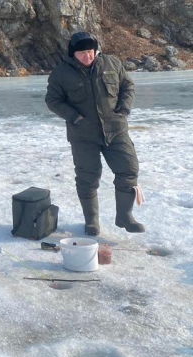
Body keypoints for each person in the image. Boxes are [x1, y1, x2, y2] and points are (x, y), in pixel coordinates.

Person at [45, 31, 145, 235]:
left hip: (115, 130)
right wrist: (74, 117)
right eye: (82, 53)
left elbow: (128, 85)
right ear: (73, 53)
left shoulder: (112, 63)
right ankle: (91, 221)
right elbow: (52, 100)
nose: (87, 57)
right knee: (87, 177)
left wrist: (124, 108)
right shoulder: (61, 73)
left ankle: (125, 216)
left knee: (128, 169)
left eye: (90, 52)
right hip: (83, 135)